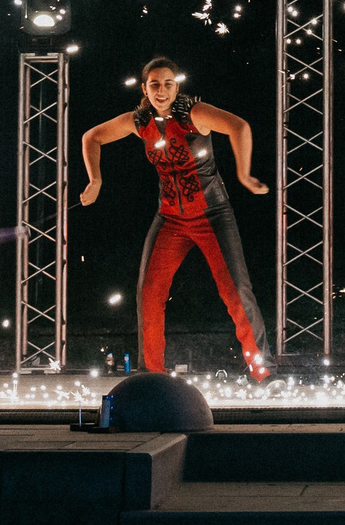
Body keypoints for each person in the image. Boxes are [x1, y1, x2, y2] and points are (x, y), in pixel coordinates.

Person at [81, 56, 273, 382]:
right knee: (149, 293)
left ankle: (263, 371)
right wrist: (95, 180)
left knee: (236, 291)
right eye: (154, 84)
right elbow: (92, 137)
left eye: (168, 84)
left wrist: (244, 174)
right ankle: (151, 376)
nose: (161, 90)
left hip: (212, 215)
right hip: (169, 219)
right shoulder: (138, 122)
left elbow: (239, 127)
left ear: (176, 87)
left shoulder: (194, 114)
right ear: (144, 88)